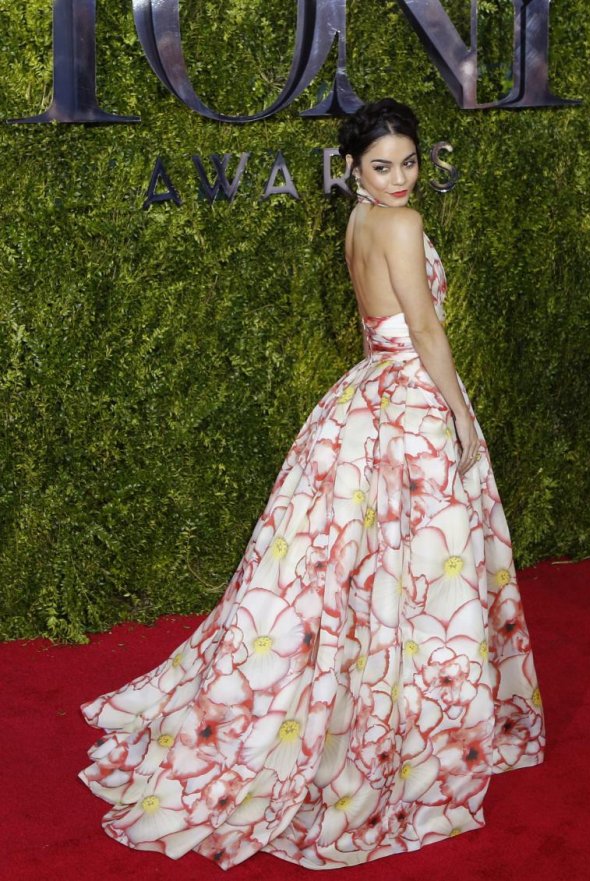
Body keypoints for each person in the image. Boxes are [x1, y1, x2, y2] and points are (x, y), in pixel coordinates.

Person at [78, 98, 545, 871]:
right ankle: (420, 729)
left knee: (360, 574)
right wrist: (460, 416)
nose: (399, 179)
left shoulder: (360, 220)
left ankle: (367, 704)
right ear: (355, 169)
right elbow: (425, 329)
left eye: (410, 162)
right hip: (411, 406)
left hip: (365, 397)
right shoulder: (400, 223)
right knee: (423, 570)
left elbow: (384, 317)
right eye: (382, 166)